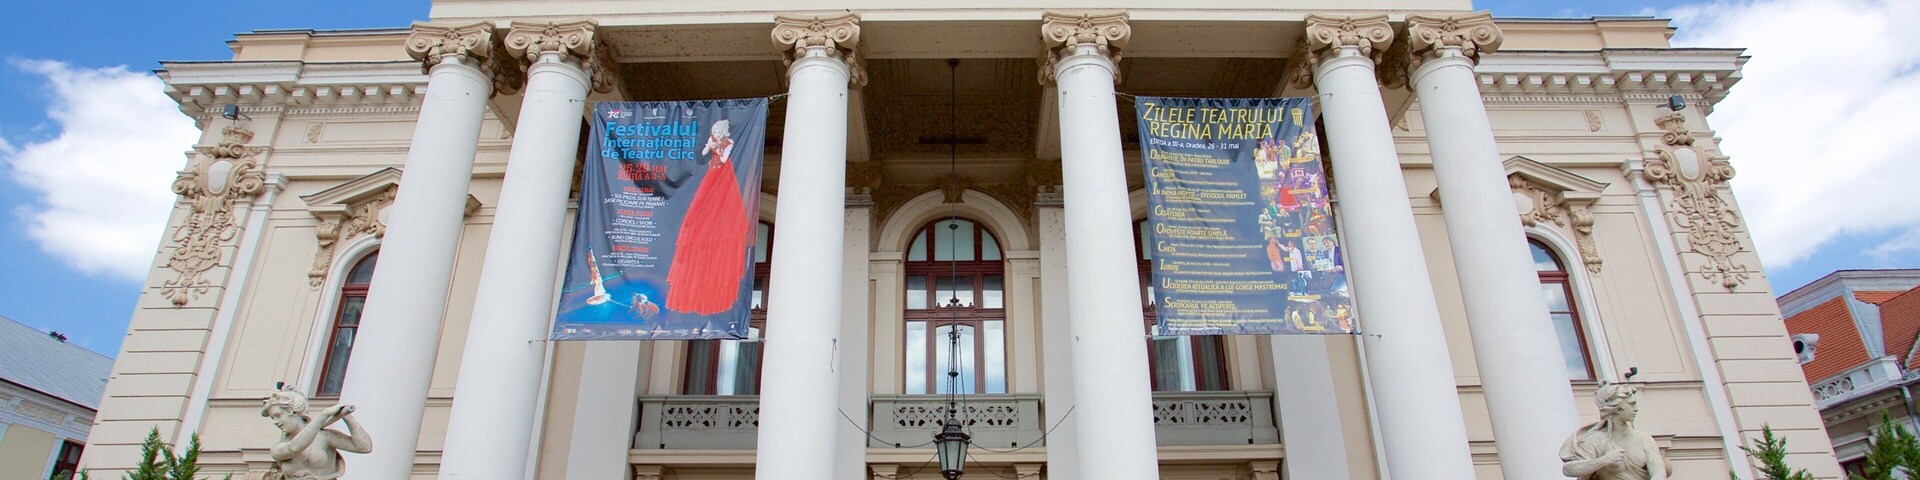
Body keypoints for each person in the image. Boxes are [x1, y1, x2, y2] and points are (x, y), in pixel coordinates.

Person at [665, 119, 754, 314]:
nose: (717, 133)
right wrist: (709, 146)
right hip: (711, 177)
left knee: (724, 210)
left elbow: (723, 160)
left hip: (723, 177)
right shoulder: (714, 138)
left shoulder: (728, 143)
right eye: (715, 131)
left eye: (719, 131)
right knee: (702, 208)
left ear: (724, 131)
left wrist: (717, 148)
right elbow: (705, 153)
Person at [1560, 382, 1669, 480]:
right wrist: (1603, 460)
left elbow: (1659, 473)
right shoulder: (1595, 440)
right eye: (1631, 404)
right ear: (1617, 408)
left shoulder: (1644, 439)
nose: (1636, 408)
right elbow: (1568, 469)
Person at [261, 386, 372, 480]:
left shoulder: (325, 437)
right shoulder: (279, 447)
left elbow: (364, 447)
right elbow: (294, 448)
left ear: (292, 411)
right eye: (273, 418)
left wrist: (346, 415)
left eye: (278, 416)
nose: (275, 422)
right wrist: (324, 415)